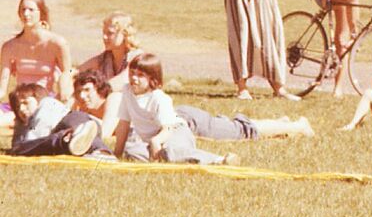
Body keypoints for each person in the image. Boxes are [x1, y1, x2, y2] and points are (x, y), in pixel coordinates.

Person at [74, 68, 312, 141]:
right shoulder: (89, 111)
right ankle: (281, 124)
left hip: (184, 122)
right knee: (234, 126)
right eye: (79, 92)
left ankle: (298, 126)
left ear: (100, 89)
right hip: (176, 124)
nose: (83, 97)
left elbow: (106, 134)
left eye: (87, 91)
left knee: (240, 131)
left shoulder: (114, 99)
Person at [113, 53, 235, 165]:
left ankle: (218, 160)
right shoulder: (127, 91)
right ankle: (163, 157)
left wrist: (156, 141)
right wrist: (117, 153)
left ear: (152, 78)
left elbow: (168, 128)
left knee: (171, 152)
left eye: (140, 75)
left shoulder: (158, 98)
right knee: (132, 151)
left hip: (174, 132)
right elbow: (124, 123)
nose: (134, 78)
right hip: (153, 140)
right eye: (132, 73)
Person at [0, 0, 72, 129]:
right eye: (23, 10)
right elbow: (2, 87)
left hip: (45, 101)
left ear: (41, 13)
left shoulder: (57, 43)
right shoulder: (9, 46)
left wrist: (63, 87)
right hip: (20, 102)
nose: (26, 14)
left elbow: (68, 72)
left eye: (31, 10)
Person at [9, 82, 107, 157]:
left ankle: (69, 137)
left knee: (24, 148)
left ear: (38, 98)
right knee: (85, 136)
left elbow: (32, 141)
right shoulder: (28, 120)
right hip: (89, 124)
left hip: (71, 120)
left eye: (26, 103)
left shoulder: (45, 105)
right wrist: (20, 125)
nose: (21, 109)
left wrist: (19, 148)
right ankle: (102, 151)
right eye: (17, 107)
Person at [76, 11, 142, 91]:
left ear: (125, 34)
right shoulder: (105, 58)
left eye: (110, 33)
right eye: (104, 32)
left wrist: (96, 92)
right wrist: (67, 75)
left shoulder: (137, 57)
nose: (104, 37)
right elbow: (77, 70)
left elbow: (122, 80)